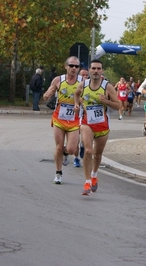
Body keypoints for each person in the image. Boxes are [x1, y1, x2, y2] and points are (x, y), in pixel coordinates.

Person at [74, 59, 119, 195]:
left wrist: (106, 101)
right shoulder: (83, 85)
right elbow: (76, 94)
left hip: (103, 125)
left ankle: (94, 175)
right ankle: (87, 182)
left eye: (98, 69)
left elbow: (118, 106)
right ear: (89, 71)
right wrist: (77, 104)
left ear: (102, 71)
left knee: (97, 154)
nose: (96, 71)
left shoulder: (107, 87)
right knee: (88, 151)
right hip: (87, 123)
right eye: (93, 68)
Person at [43, 56, 83, 184]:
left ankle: (66, 154)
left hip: (74, 119)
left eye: (76, 66)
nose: (73, 68)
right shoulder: (58, 80)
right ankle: (58, 173)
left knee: (71, 149)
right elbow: (48, 92)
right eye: (71, 65)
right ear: (66, 66)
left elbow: (87, 98)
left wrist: (79, 103)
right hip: (59, 118)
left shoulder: (83, 82)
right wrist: (47, 95)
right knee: (59, 147)